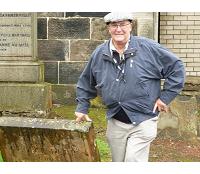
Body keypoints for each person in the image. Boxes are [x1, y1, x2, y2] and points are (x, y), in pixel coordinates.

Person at [74, 12, 185, 162]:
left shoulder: (148, 48)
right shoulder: (100, 53)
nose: (118, 29)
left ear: (130, 26)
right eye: (114, 25)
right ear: (108, 28)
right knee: (118, 161)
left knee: (133, 160)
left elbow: (177, 68)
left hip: (144, 118)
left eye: (123, 24)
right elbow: (86, 81)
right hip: (116, 120)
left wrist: (164, 98)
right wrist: (82, 107)